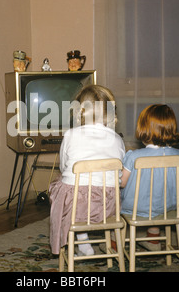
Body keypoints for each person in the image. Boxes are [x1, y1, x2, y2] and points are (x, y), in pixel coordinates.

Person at [49, 84, 125, 256]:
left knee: (60, 183)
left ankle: (82, 241)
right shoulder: (117, 139)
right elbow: (119, 172)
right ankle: (85, 243)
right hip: (108, 207)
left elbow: (63, 166)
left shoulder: (70, 135)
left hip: (77, 205)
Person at [120, 104, 179, 251]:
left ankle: (114, 242)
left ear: (143, 129)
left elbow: (122, 182)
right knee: (158, 194)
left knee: (114, 198)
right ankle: (153, 239)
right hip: (169, 207)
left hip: (136, 208)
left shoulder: (134, 156)